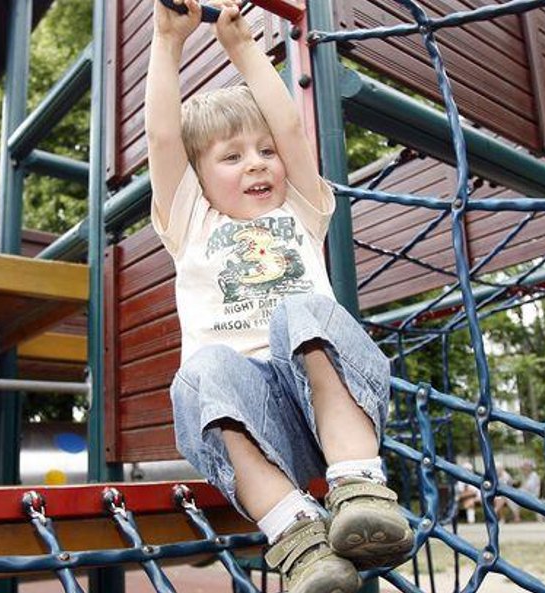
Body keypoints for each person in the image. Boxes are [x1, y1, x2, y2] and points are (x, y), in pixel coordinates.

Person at [145, 1, 413, 591]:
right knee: (202, 371)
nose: (258, 164)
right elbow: (163, 139)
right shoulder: (190, 224)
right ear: (199, 177)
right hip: (254, 425)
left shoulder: (302, 207)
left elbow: (290, 127)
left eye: (264, 152)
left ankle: (360, 486)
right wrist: (167, 42)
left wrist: (243, 48)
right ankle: (298, 537)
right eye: (232, 157)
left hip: (331, 411)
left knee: (302, 312)